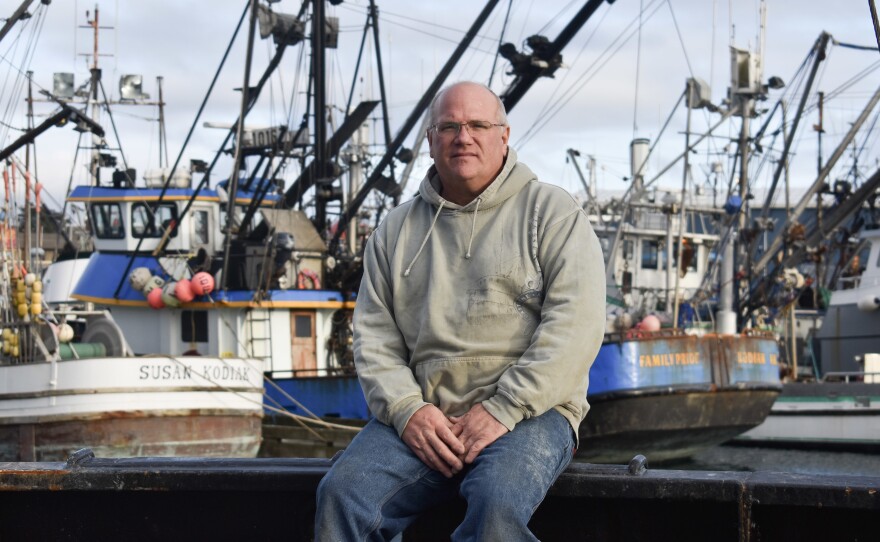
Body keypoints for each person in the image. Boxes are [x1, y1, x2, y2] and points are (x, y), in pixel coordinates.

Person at [315, 81, 605, 541]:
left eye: (477, 125)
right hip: (424, 414)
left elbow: (577, 326)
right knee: (343, 494)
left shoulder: (553, 213)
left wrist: (505, 407)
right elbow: (373, 337)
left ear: (503, 135)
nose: (462, 136)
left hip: (532, 413)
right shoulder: (394, 230)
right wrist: (408, 410)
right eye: (448, 126)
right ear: (430, 139)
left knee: (495, 503)